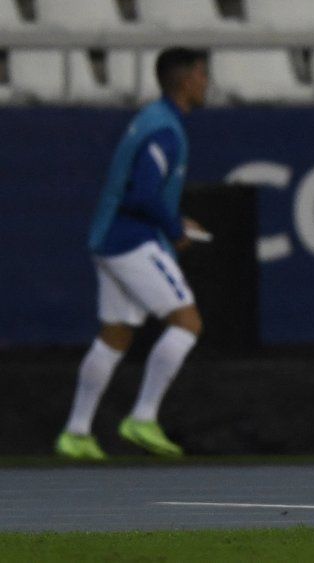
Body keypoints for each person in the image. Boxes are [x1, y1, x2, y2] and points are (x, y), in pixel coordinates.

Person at [55, 47, 211, 460]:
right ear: (185, 79)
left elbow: (142, 189)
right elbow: (142, 194)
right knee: (187, 323)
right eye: (201, 74)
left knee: (114, 338)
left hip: (109, 240)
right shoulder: (164, 128)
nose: (206, 82)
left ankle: (76, 431)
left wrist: (177, 219)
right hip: (131, 241)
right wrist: (174, 228)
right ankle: (143, 416)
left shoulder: (153, 120)